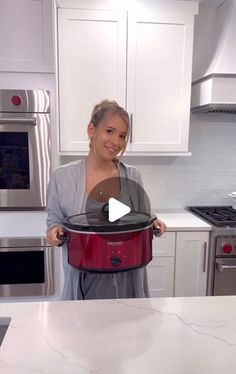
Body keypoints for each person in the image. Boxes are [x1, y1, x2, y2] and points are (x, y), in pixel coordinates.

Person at [46, 99, 166, 300]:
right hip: (84, 285)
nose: (116, 142)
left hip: (130, 282)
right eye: (109, 131)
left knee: (130, 330)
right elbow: (53, 223)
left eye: (122, 136)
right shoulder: (63, 177)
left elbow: (140, 219)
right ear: (91, 130)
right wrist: (54, 232)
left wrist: (153, 223)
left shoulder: (132, 176)